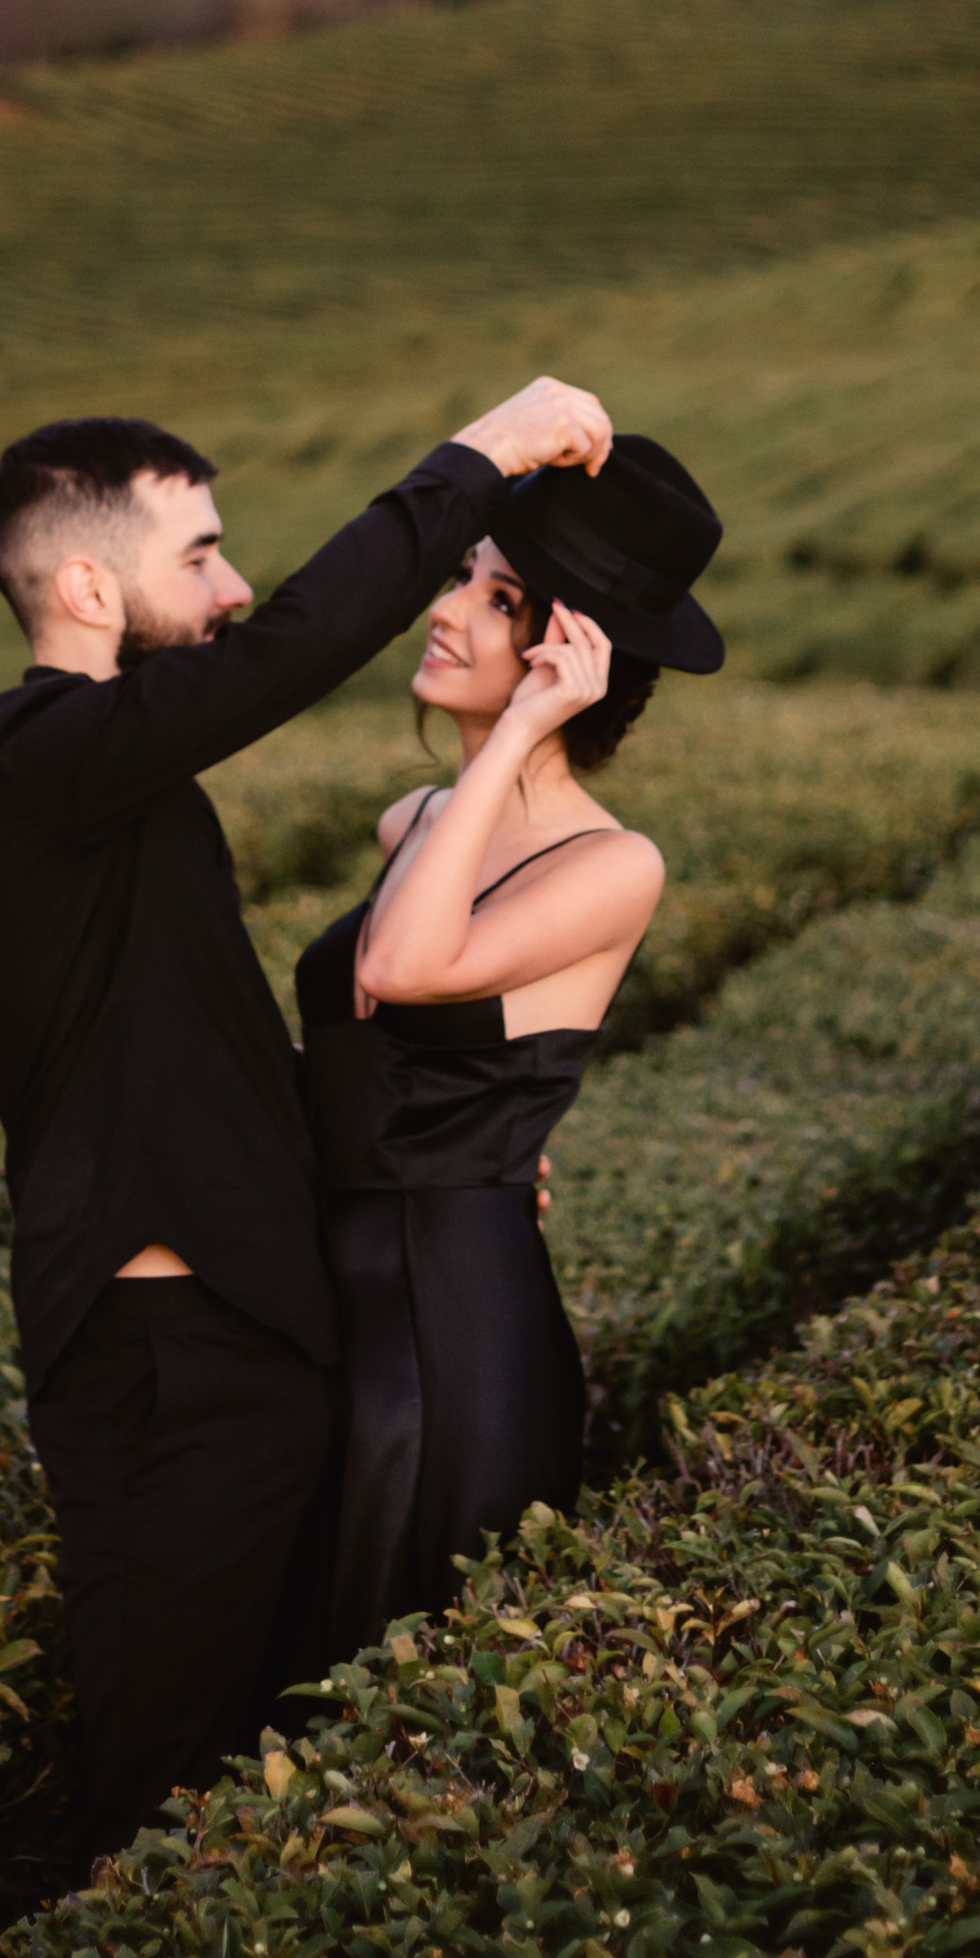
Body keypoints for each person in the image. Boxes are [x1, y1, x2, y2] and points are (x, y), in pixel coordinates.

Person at [0, 375, 613, 1873]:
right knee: (161, 1778)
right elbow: (298, 649)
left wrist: (447, 1147)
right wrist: (488, 453)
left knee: (249, 1760)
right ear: (90, 584)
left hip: (241, 1332)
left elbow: (211, 1061)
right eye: (203, 554)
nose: (235, 587)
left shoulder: (114, 789)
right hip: (173, 1348)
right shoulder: (41, 756)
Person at [295, 433, 724, 1661]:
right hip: (328, 1283)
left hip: (455, 1315)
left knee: (401, 1666)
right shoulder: (413, 821)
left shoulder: (612, 865)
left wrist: (525, 731)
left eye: (497, 599)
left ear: (567, 651)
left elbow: (401, 970)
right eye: (460, 579)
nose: (445, 614)